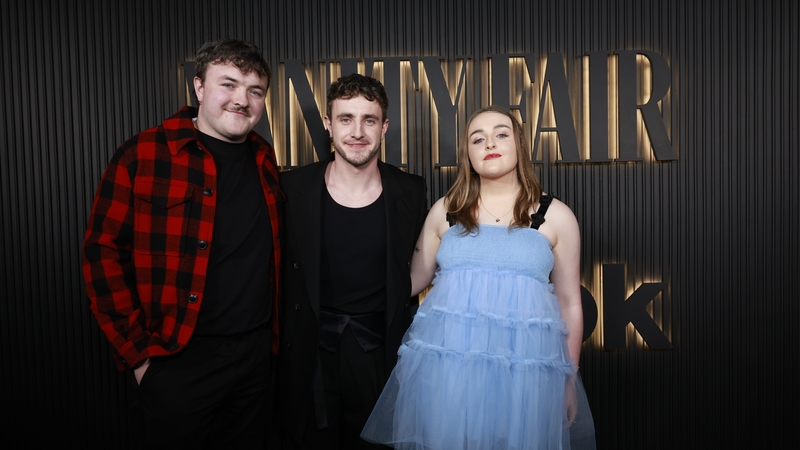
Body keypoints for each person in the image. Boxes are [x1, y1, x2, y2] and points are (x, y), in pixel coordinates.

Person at [82, 38, 281, 448]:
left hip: (255, 360)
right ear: (199, 87)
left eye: (254, 90)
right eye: (228, 84)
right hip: (177, 361)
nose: (241, 100)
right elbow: (101, 254)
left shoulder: (265, 159)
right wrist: (140, 357)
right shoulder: (143, 154)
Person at [361, 106, 596, 449]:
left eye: (501, 134)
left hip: (525, 376)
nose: (489, 143)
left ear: (519, 144)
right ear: (467, 154)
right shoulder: (445, 211)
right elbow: (411, 281)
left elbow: (570, 303)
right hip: (449, 375)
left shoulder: (556, 217)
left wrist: (568, 379)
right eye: (478, 138)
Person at [278, 73, 428, 449]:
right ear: (329, 125)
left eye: (369, 120)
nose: (357, 131)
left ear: (384, 127)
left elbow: (422, 268)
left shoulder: (410, 191)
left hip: (381, 351)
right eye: (346, 119)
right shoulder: (292, 189)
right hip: (310, 354)